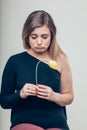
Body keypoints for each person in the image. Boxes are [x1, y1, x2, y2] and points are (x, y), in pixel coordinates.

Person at [0, 10, 74, 130]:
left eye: (44, 37)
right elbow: (4, 102)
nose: (39, 42)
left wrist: (54, 96)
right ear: (27, 36)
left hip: (56, 122)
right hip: (24, 120)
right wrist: (21, 94)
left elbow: (69, 96)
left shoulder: (61, 59)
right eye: (34, 37)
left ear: (52, 36)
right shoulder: (14, 61)